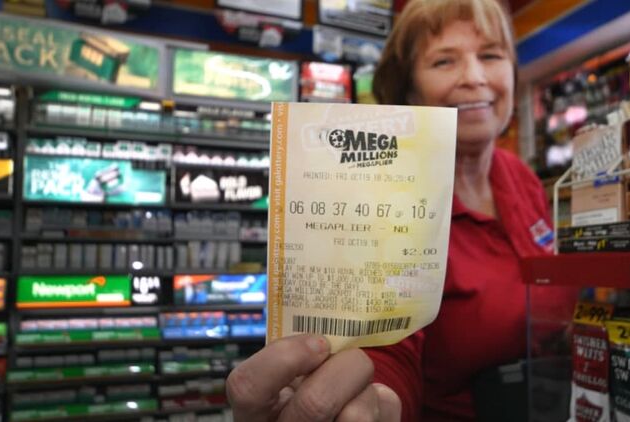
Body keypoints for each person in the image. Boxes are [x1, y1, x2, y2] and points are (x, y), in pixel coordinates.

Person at [227, 0, 574, 420]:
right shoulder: (385, 197)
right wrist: (374, 403)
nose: (475, 77)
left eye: (490, 55)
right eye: (444, 61)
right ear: (410, 92)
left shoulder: (520, 177)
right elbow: (385, 351)